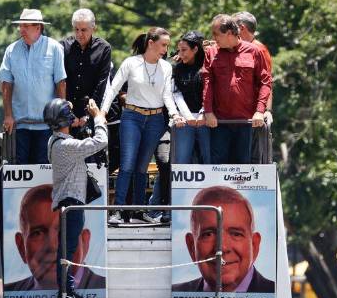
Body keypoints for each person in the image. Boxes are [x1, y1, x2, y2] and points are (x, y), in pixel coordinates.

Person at [100, 27, 185, 224]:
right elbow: (113, 88)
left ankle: (138, 211)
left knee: (142, 167)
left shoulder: (166, 67)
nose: (166, 49)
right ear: (150, 43)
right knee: (127, 164)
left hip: (155, 119)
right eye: (163, 45)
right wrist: (102, 112)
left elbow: (166, 95)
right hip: (132, 116)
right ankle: (118, 210)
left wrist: (174, 114)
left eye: (167, 45)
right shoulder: (131, 63)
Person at [44, 97, 108, 298]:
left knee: (68, 246)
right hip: (72, 202)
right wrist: (98, 118)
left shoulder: (54, 141)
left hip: (67, 201)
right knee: (68, 248)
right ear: (65, 120)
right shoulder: (67, 146)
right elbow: (101, 141)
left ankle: (66, 289)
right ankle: (66, 290)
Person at [173, 185, 275, 293]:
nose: (222, 248)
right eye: (208, 234)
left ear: (254, 246)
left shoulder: (279, 294)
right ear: (191, 248)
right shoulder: (175, 293)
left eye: (236, 234)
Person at [4, 184, 106, 292]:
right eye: (38, 233)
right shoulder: (9, 292)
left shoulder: (107, 289)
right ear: (21, 247)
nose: (53, 246)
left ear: (85, 242)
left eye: (65, 230)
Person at [0, 8, 67, 164]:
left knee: (43, 169)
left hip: (46, 126)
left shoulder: (54, 48)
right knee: (20, 170)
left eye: (26, 26)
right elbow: (6, 84)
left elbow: (61, 83)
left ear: (38, 27)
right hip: (19, 125)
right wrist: (8, 115)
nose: (21, 30)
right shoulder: (11, 50)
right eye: (20, 26)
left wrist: (62, 118)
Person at [202, 14, 271, 164]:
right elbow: (208, 83)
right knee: (218, 166)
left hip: (246, 122)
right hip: (219, 122)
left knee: (243, 166)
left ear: (229, 33)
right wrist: (208, 112)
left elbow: (265, 83)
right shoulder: (211, 52)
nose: (213, 38)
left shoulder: (255, 51)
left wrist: (260, 111)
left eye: (216, 34)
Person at [61, 9, 112, 126]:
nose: (79, 34)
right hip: (66, 110)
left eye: (83, 30)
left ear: (93, 28)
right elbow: (60, 81)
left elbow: (101, 84)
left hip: (91, 109)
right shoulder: (63, 46)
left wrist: (89, 115)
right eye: (76, 29)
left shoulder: (104, 48)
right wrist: (67, 113)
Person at [171, 31, 210, 164]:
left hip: (206, 119)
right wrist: (188, 116)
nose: (180, 54)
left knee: (209, 160)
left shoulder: (207, 66)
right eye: (179, 50)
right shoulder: (177, 68)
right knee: (182, 160)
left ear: (195, 49)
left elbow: (209, 92)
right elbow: (176, 93)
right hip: (185, 120)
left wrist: (203, 113)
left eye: (184, 50)